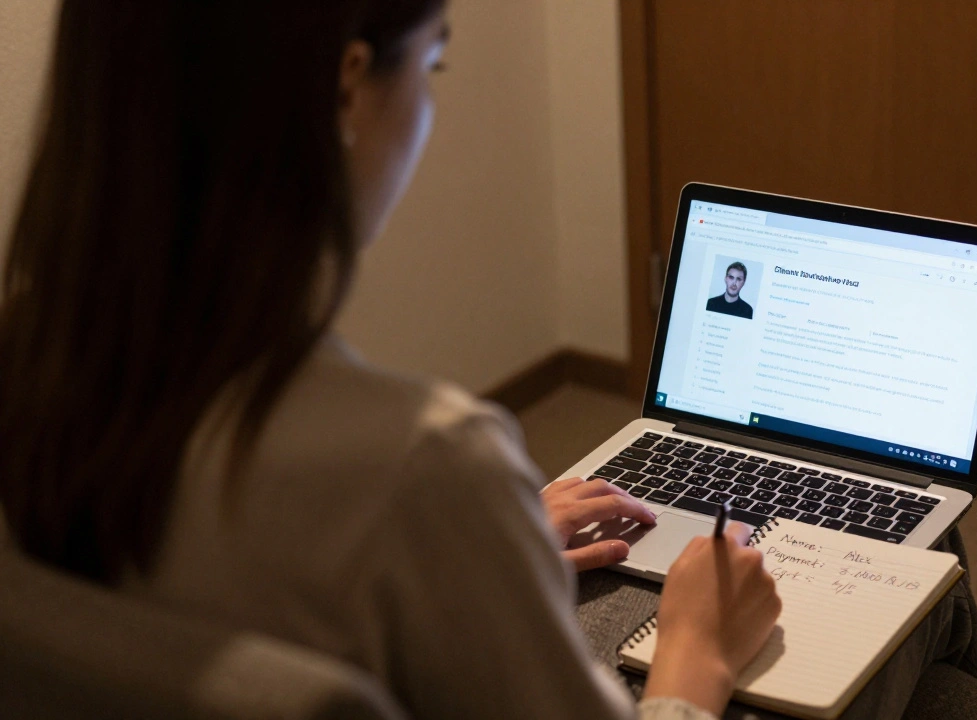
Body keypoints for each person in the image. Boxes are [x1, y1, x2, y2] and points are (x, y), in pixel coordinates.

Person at [0, 2, 779, 718]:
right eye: (430, 65)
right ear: (346, 89)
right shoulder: (429, 462)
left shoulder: (29, 366)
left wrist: (476, 557)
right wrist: (693, 651)